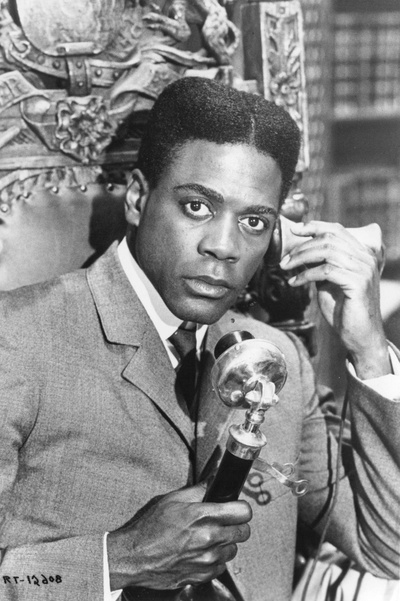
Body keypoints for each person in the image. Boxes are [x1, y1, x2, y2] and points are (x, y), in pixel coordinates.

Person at [0, 77, 399, 601]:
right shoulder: (17, 342)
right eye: (197, 207)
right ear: (138, 198)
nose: (224, 246)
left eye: (253, 221)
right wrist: (116, 561)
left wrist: (368, 349)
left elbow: (388, 546)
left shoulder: (278, 360)